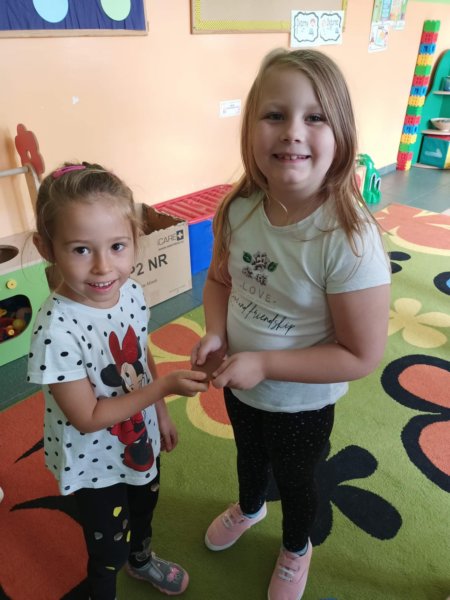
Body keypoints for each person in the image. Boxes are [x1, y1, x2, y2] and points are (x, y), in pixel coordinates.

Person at [191, 48, 391, 600]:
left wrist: (265, 363)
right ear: (250, 128)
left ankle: (297, 546)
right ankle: (250, 506)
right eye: (275, 115)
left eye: (315, 117)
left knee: (298, 480)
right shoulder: (238, 208)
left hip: (302, 403)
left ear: (341, 134)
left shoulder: (348, 239)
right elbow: (220, 282)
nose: (292, 132)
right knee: (249, 456)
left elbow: (360, 354)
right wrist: (215, 332)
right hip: (241, 384)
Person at [27, 162, 209, 600]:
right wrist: (163, 390)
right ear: (46, 247)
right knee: (107, 549)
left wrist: (160, 413)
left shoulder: (130, 291)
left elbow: (140, 353)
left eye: (117, 246)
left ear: (136, 239)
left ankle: (141, 560)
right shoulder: (56, 330)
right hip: (93, 462)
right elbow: (88, 417)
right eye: (81, 249)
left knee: (145, 507)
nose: (103, 267)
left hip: (139, 436)